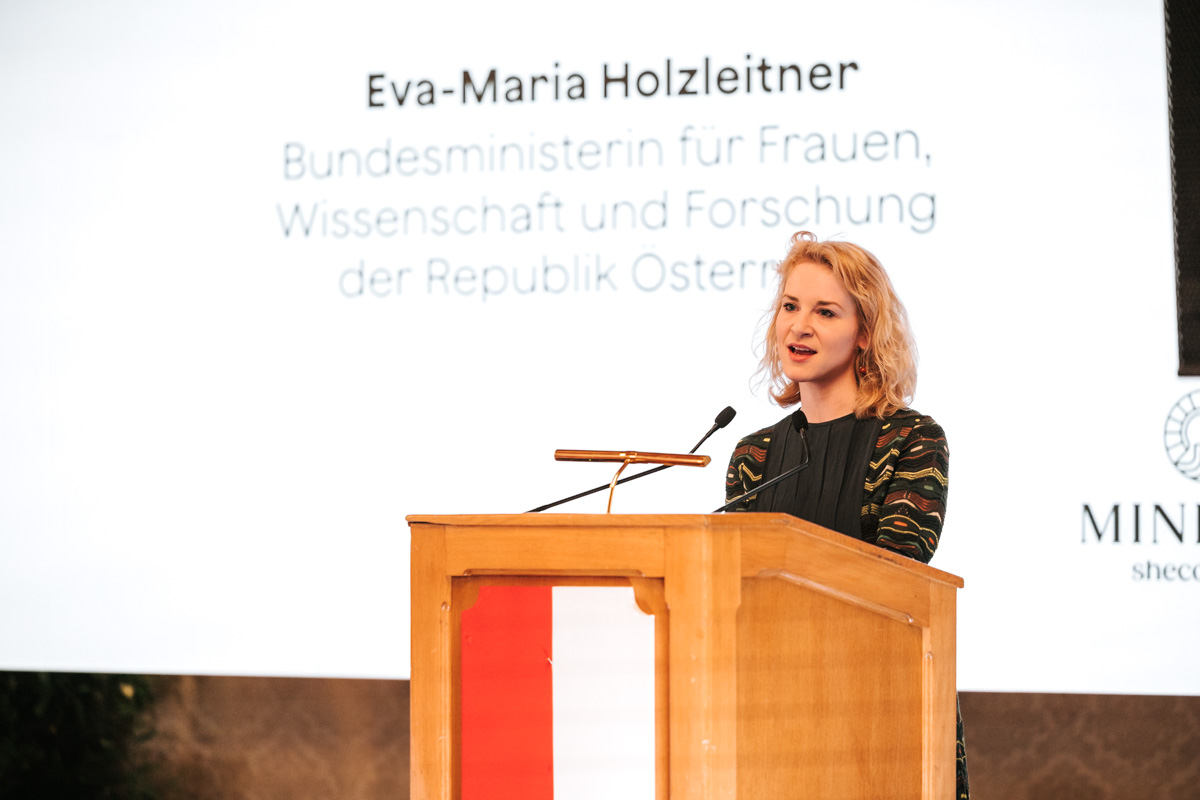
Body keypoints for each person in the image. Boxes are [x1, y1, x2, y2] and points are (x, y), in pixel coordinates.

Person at [724, 230, 969, 799]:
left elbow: (898, 575)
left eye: (825, 312)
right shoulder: (754, 456)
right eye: (790, 306)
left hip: (882, 704)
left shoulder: (912, 439)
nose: (799, 326)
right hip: (774, 708)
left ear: (864, 333)